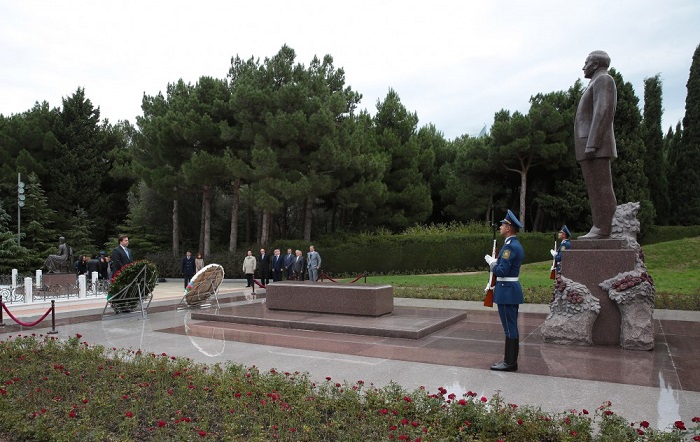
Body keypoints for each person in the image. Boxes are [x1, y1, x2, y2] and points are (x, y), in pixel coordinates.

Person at [575, 50, 618, 239]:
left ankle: (604, 227)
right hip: (588, 145)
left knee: (601, 187)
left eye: (586, 62)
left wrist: (593, 143)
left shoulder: (604, 80)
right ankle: (599, 225)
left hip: (594, 146)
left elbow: (604, 110)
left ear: (595, 64)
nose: (583, 67)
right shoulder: (595, 82)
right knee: (594, 187)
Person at [484, 210, 525, 372]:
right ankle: (510, 361)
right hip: (508, 290)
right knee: (511, 326)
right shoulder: (513, 245)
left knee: (509, 327)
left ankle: (510, 362)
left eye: (503, 224)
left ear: (509, 228)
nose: (500, 227)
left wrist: (492, 264)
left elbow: (501, 271)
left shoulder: (510, 247)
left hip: (507, 291)